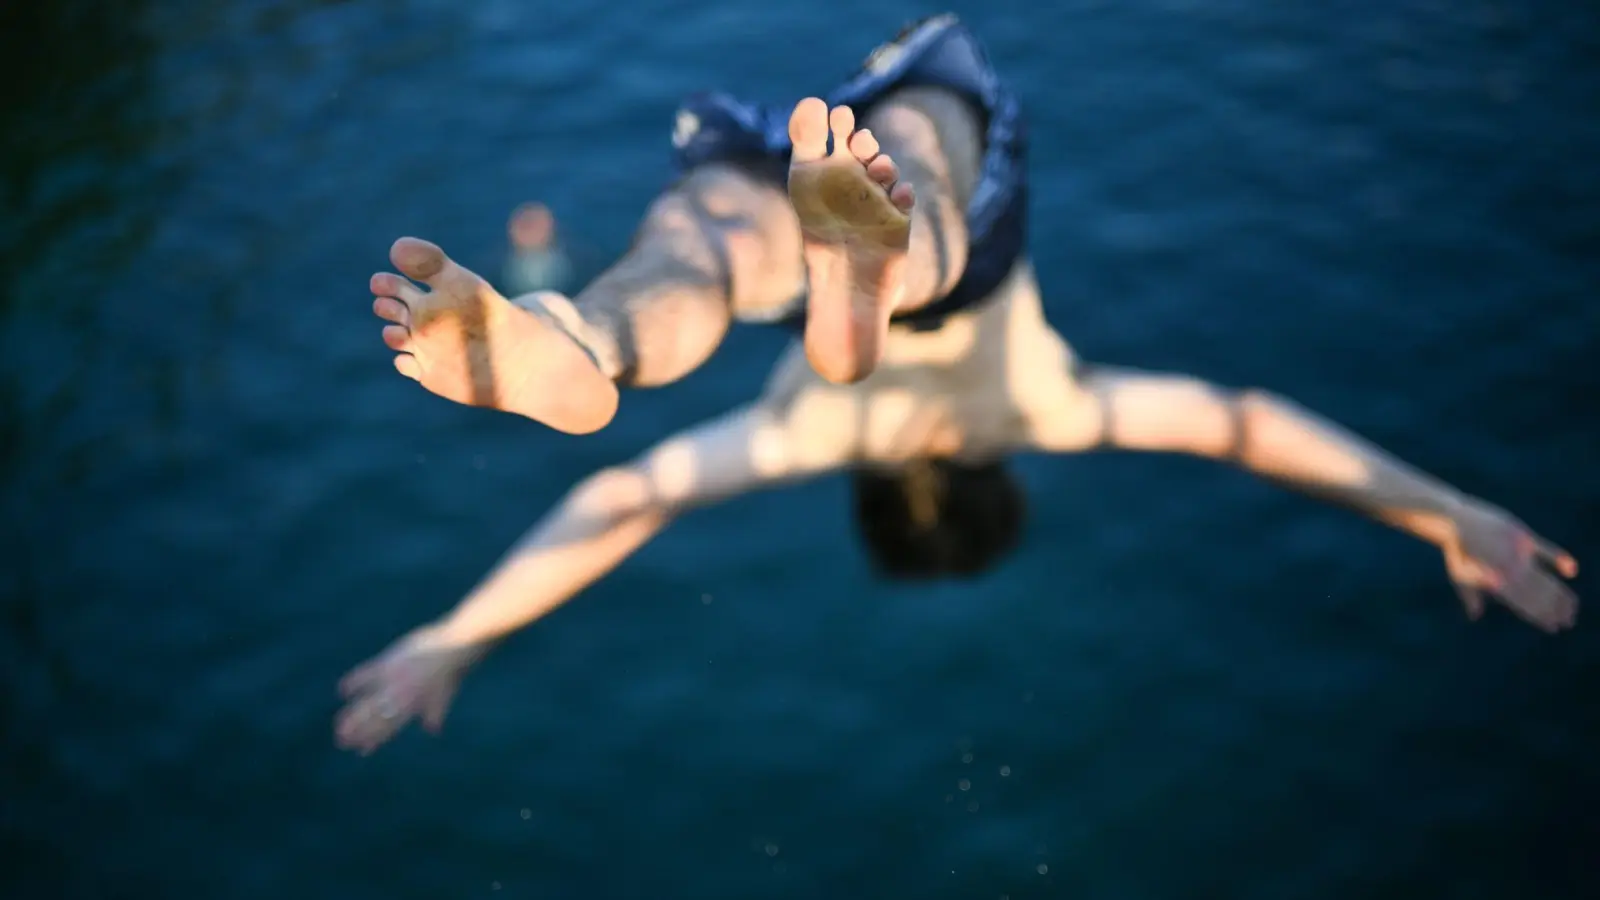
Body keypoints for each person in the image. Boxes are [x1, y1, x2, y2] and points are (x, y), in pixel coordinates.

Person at [336, 15, 1579, 754]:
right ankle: (827, 291)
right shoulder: (809, 434)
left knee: (700, 257)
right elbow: (621, 498)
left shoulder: (1050, 411)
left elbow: (1239, 424)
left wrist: (1445, 513)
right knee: (877, 215)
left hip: (892, 300)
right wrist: (454, 638)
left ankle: (584, 334)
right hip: (860, 335)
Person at [502, 202, 575, 296]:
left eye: (532, 226)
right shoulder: (500, 267)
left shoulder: (570, 267)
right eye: (525, 225)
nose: (529, 232)